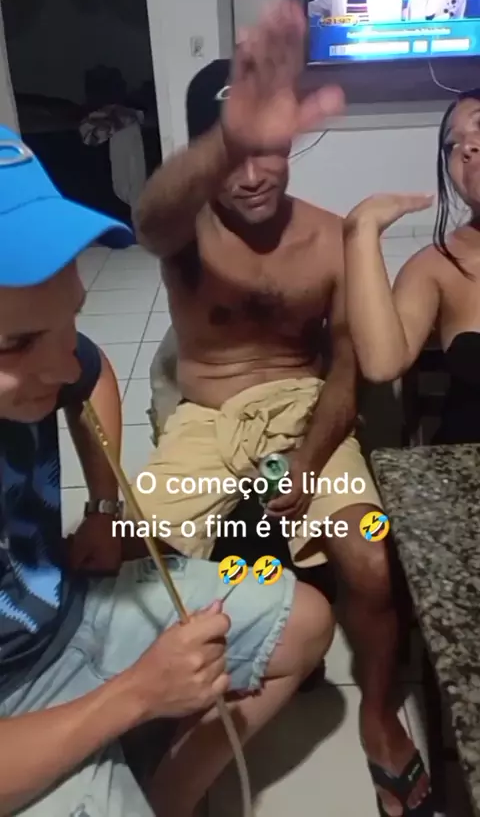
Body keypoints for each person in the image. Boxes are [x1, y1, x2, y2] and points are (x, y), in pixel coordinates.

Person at [133, 0, 433, 817]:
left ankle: (378, 717)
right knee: (136, 552)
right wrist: (225, 142)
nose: (253, 175)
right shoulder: (184, 231)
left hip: (305, 412)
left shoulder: (332, 238)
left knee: (369, 554)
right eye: (233, 154)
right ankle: (175, 711)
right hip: (204, 422)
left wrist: (307, 459)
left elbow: (349, 367)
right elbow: (146, 218)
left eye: (267, 149)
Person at [0, 122, 334, 817]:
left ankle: (167, 798)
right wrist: (136, 695)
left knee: (305, 620)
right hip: (14, 707)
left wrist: (102, 508)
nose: (60, 365)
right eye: (17, 344)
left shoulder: (58, 355)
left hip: (68, 612)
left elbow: (91, 369)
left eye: (69, 319)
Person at [344, 88, 480, 451]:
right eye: (452, 145)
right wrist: (362, 230)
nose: (465, 149)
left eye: (479, 128)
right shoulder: (436, 266)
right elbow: (381, 364)